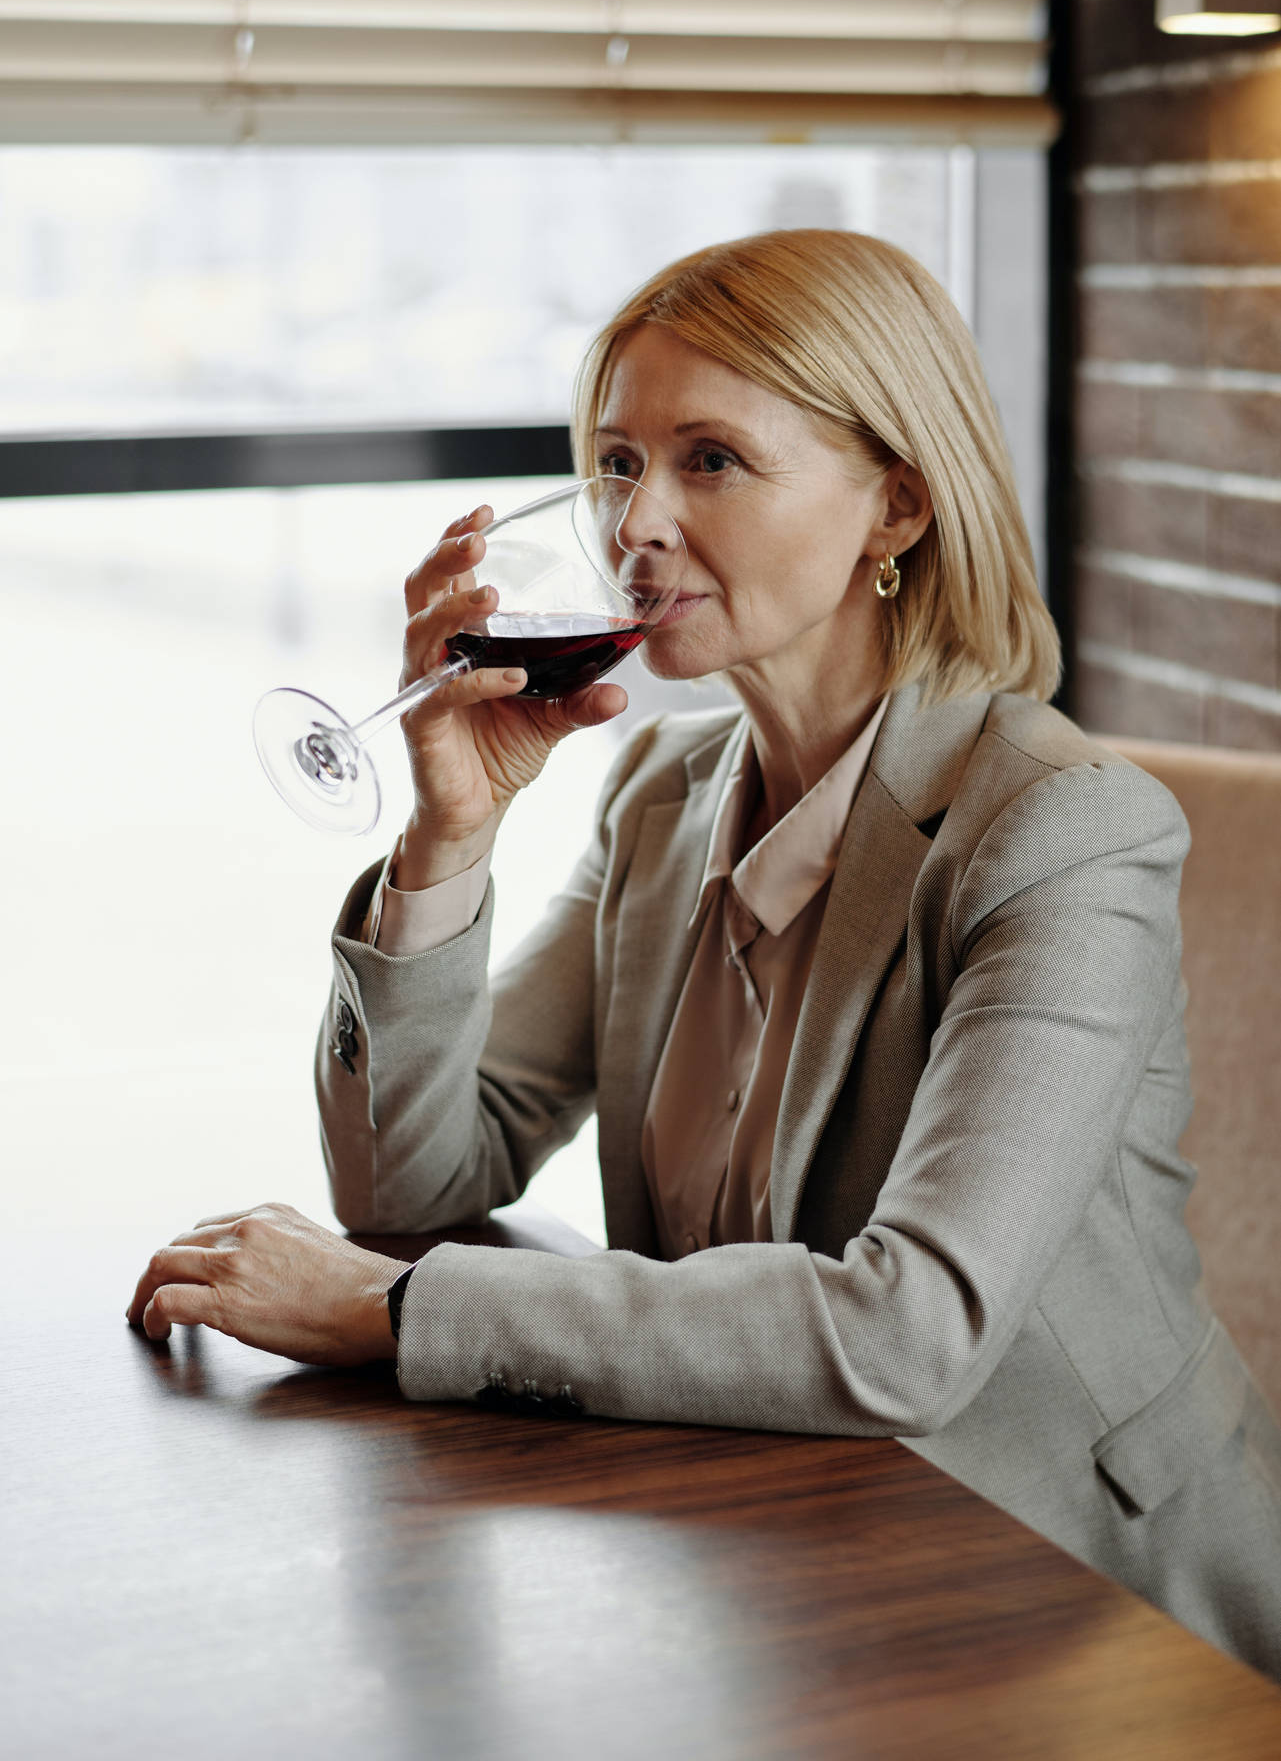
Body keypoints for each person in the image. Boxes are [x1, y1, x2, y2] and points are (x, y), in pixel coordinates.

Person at [128, 228, 1281, 1679]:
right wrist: (448, 837)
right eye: (615, 462)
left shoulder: (1060, 831)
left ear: (895, 509)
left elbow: (907, 1333)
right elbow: (412, 1181)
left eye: (709, 460)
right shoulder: (661, 792)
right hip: (774, 1540)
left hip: (1078, 1601)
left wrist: (393, 1314)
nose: (634, 523)